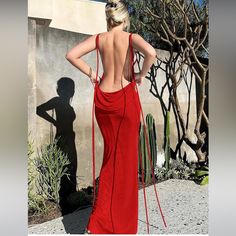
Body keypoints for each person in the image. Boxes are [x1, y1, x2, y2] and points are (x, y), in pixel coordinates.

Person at [66, 0, 166, 234]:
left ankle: (103, 220)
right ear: (124, 18)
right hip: (124, 99)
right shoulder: (131, 38)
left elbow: (71, 54)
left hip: (104, 99)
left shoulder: (100, 38)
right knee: (126, 163)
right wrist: (140, 75)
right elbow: (151, 52)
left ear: (109, 17)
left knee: (110, 159)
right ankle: (118, 223)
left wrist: (93, 74)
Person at [36, 77, 77, 215]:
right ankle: (65, 202)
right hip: (63, 139)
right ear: (61, 90)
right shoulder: (57, 101)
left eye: (72, 88)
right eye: (69, 88)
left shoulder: (65, 103)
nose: (71, 91)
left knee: (71, 169)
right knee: (66, 168)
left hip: (70, 139)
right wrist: (54, 122)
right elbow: (39, 109)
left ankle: (70, 200)